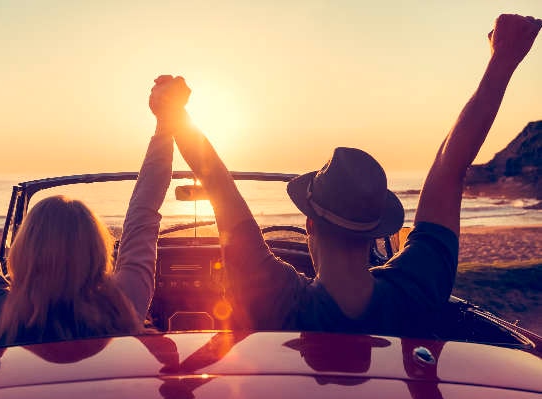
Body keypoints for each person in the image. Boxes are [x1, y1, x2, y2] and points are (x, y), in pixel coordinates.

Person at [155, 14, 542, 335]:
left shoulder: (274, 299)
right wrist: (502, 61)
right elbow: (449, 168)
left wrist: (175, 115)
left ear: (309, 225)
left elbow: (217, 185)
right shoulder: (417, 287)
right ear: (377, 233)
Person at [0, 73, 177, 346]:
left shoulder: (1, 320)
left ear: (25, 252)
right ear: (98, 253)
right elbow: (143, 212)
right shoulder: (127, 305)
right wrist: (166, 121)